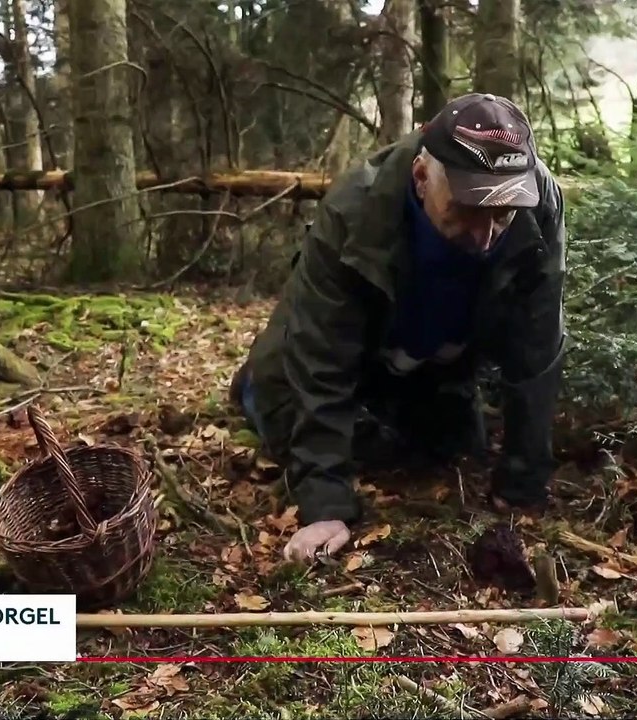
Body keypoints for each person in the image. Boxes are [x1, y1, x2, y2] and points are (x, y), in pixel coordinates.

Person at [229, 92, 568, 564]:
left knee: (446, 448)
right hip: (340, 346)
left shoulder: (539, 201)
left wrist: (522, 480)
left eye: (502, 214)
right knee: (285, 414)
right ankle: (253, 388)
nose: (485, 235)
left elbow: (538, 342)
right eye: (468, 209)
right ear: (422, 178)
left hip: (432, 357)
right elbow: (320, 354)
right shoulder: (354, 208)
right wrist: (326, 507)